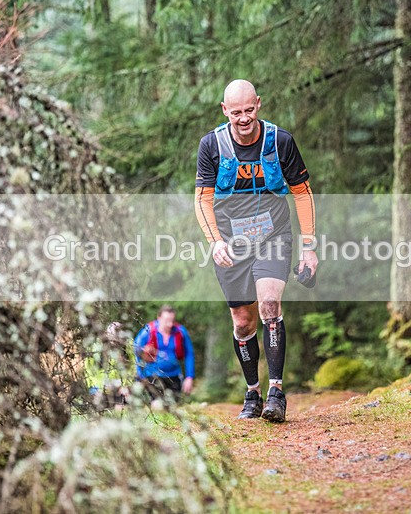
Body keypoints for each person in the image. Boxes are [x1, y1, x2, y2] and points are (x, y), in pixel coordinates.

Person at [194, 79, 318, 422]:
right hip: (231, 242)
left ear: (259, 104)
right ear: (224, 111)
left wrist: (309, 247)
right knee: (243, 321)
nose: (244, 118)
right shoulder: (212, 145)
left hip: (274, 235)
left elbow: (302, 193)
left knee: (269, 303)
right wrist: (214, 241)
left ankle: (276, 392)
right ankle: (253, 393)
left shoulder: (280, 141)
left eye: (249, 110)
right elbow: (202, 200)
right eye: (236, 112)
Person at [134, 305, 195, 397]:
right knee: (157, 405)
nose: (170, 324)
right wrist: (140, 376)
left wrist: (189, 377)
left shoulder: (180, 332)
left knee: (172, 404)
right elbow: (136, 350)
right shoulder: (148, 330)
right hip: (153, 376)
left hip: (174, 376)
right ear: (159, 318)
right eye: (166, 321)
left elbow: (189, 354)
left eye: (172, 321)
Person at [84, 321, 132, 410]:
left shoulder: (128, 346)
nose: (117, 340)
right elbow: (89, 371)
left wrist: (126, 385)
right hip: (99, 387)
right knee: (99, 404)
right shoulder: (96, 348)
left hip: (119, 387)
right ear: (107, 334)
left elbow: (132, 369)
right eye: (114, 336)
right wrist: (99, 388)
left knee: (123, 406)